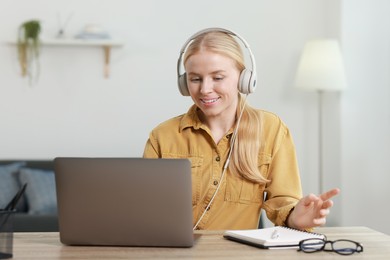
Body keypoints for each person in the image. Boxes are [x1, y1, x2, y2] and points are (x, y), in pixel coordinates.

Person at [143, 28, 339, 231]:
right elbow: (144, 207)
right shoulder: (163, 136)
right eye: (195, 79)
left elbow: (283, 202)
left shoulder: (271, 130)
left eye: (218, 78)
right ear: (184, 84)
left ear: (244, 78)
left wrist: (295, 217)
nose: (205, 89)